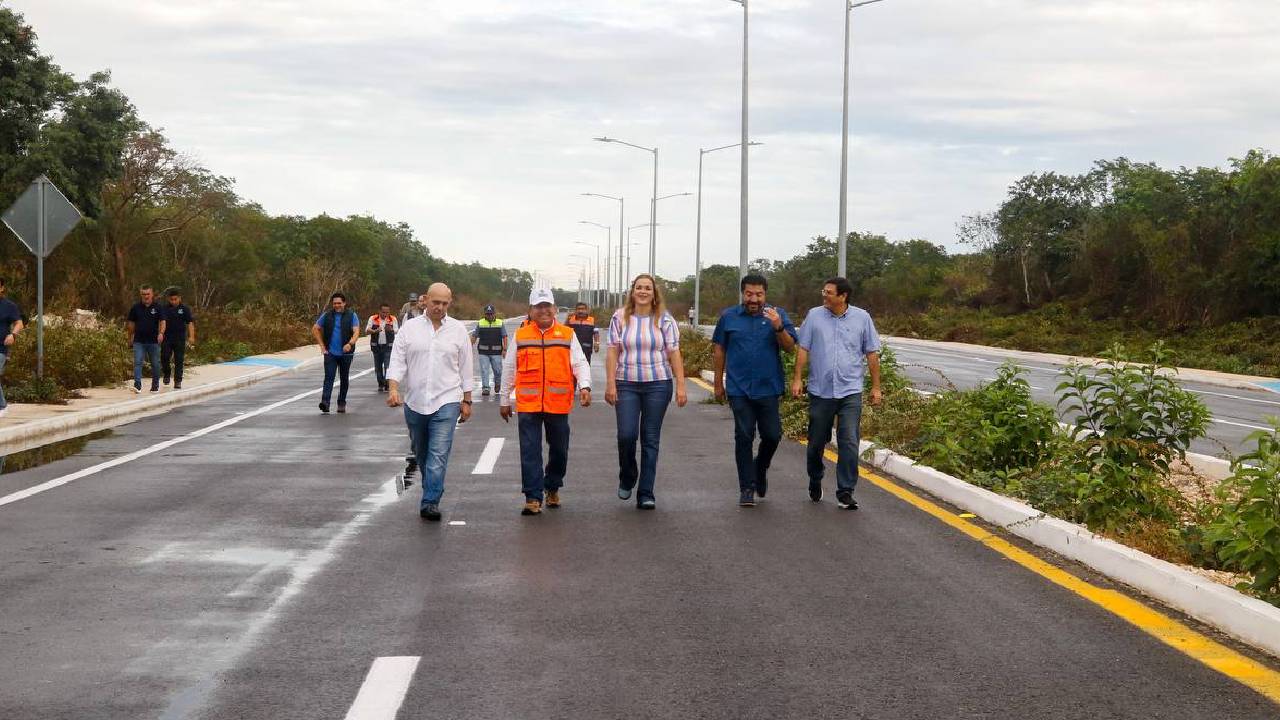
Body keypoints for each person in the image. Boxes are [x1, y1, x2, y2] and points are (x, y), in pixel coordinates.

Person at [792, 277, 882, 510]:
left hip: (850, 390)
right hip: (821, 391)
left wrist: (875, 387)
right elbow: (803, 348)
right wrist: (797, 379)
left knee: (849, 440)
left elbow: (872, 353)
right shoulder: (814, 315)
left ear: (843, 296)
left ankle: (845, 491)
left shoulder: (862, 318)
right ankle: (815, 478)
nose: (824, 295)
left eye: (829, 292)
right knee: (816, 442)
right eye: (824, 291)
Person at [500, 288, 592, 516]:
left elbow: (580, 363)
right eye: (538, 306)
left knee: (559, 449)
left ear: (554, 308)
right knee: (529, 450)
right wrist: (504, 399)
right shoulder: (521, 336)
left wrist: (585, 386)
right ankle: (532, 496)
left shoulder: (567, 335)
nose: (543, 310)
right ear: (530, 311)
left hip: (558, 403)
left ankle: (552, 486)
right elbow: (510, 368)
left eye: (547, 306)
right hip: (529, 405)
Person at [387, 283, 473, 521]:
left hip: (447, 400)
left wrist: (467, 401)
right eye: (436, 302)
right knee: (422, 452)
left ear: (450, 303)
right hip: (415, 402)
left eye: (445, 304)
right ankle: (431, 485)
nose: (440, 307)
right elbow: (397, 361)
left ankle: (430, 501)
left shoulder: (457, 331)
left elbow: (466, 368)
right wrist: (393, 388)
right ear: (426, 300)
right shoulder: (409, 329)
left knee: (438, 453)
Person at [712, 273, 797, 507]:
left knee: (772, 435)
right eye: (749, 294)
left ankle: (760, 466)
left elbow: (790, 348)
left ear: (765, 294)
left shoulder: (777, 315)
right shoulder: (729, 317)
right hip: (739, 389)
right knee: (744, 436)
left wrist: (778, 327)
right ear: (743, 293)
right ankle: (747, 488)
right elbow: (719, 350)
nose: (754, 299)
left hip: (768, 388)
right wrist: (718, 383)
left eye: (759, 294)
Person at [605, 275, 687, 510]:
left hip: (658, 384)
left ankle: (646, 492)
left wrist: (680, 385)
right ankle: (628, 475)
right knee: (627, 435)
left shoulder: (665, 319)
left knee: (650, 439)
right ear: (632, 292)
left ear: (654, 293)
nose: (643, 291)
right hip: (626, 383)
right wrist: (610, 383)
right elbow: (612, 351)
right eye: (639, 288)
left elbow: (674, 353)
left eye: (647, 288)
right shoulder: (620, 317)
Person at [311, 292, 361, 414]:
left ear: (344, 303)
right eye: (334, 303)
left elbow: (356, 332)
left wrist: (350, 344)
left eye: (339, 303)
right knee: (329, 377)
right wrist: (322, 346)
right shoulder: (327, 315)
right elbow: (315, 328)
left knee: (344, 378)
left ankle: (341, 402)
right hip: (330, 353)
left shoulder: (351, 315)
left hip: (346, 354)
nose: (337, 305)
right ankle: (325, 403)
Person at [126, 285, 167, 394]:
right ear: (141, 295)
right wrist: (130, 337)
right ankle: (137, 385)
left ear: (152, 294)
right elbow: (131, 324)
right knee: (138, 362)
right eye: (144, 294)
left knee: (155, 364)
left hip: (153, 341)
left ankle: (155, 385)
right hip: (139, 341)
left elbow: (163, 321)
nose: (146, 296)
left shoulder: (158, 307)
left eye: (148, 294)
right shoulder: (135, 308)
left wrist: (161, 333)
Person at [161, 288, 196, 390]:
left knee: (179, 360)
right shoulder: (164, 308)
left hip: (180, 338)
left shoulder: (184, 309)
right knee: (164, 357)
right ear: (168, 299)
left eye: (175, 299)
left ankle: (178, 381)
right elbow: (160, 321)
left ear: (179, 298)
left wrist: (191, 336)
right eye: (171, 299)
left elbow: (190, 323)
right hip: (166, 338)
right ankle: (167, 374)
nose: (174, 301)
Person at [0, 278, 26, 417]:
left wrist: (13, 335)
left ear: (2, 288)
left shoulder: (9, 306)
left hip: (1, 348)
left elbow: (19, 323)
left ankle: (2, 406)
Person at [471, 304, 507, 397]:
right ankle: (486, 388)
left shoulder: (500, 322)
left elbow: (504, 336)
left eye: (491, 314)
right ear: (485, 314)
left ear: (494, 313)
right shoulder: (481, 323)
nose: (489, 316)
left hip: (496, 352)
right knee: (484, 370)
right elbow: (474, 336)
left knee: (498, 370)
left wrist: (505, 349)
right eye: (488, 314)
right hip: (483, 352)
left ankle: (498, 384)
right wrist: (468, 347)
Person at [366, 303, 398, 392]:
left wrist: (391, 330)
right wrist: (375, 331)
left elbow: (397, 330)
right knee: (378, 367)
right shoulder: (373, 318)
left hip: (388, 346)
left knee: (388, 366)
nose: (385, 314)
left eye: (387, 312)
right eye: (383, 312)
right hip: (376, 347)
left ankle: (387, 384)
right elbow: (367, 330)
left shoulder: (393, 319)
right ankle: (380, 383)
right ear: (379, 311)